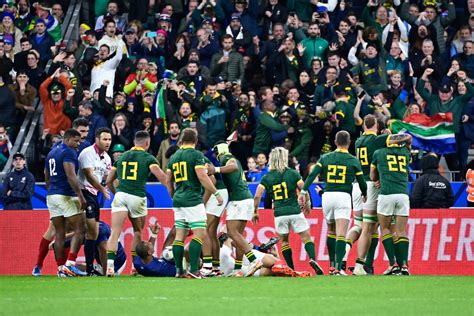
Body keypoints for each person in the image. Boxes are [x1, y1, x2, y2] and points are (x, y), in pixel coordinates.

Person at [298, 131, 367, 276]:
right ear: (349, 143)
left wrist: (304, 191)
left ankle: (331, 266)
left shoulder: (325, 157)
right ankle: (337, 268)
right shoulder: (353, 160)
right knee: (341, 234)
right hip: (343, 196)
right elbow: (361, 182)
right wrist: (365, 193)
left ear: (335, 142)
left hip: (327, 196)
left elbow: (311, 175)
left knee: (331, 232)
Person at [351, 115, 410, 276]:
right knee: (372, 228)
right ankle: (394, 264)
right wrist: (389, 134)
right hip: (374, 186)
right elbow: (404, 137)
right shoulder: (378, 143)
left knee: (371, 227)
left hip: (358, 184)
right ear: (376, 126)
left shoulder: (358, 141)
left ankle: (367, 265)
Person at [105, 130, 168, 277]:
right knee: (138, 231)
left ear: (134, 142)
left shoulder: (121, 157)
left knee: (115, 232)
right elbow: (161, 176)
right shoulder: (148, 158)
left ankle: (109, 267)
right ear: (147, 143)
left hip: (120, 195)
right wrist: (172, 191)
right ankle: (135, 266)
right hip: (137, 197)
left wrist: (117, 194)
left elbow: (108, 181)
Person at [253, 147, 323, 275]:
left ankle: (291, 269)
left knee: (285, 241)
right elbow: (304, 189)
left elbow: (257, 195)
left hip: (279, 214)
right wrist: (307, 204)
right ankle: (313, 259)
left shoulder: (267, 177)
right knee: (306, 237)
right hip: (295, 211)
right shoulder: (292, 173)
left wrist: (255, 211)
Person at [166, 128, 223, 278]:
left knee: (179, 235)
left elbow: (168, 180)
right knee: (200, 234)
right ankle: (194, 269)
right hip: (192, 199)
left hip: (178, 200)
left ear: (181, 140)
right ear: (196, 141)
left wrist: (173, 196)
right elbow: (202, 176)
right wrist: (216, 193)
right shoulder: (196, 155)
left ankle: (179, 271)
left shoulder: (174, 156)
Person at [210, 142, 263, 277]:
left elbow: (232, 166)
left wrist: (216, 169)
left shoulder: (225, 158)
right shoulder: (230, 158)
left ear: (218, 152)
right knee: (239, 235)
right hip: (246, 198)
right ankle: (237, 269)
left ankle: (254, 261)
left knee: (232, 233)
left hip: (238, 199)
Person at [44, 129, 87, 277]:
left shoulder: (52, 152)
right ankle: (70, 264)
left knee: (60, 234)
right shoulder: (68, 152)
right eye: (76, 140)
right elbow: (71, 175)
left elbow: (46, 175)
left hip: (52, 195)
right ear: (67, 139)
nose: (78, 144)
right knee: (81, 229)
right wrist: (80, 196)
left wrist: (52, 190)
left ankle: (61, 268)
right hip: (66, 195)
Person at [371, 135, 412, 275]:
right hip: (402, 194)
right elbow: (409, 142)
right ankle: (405, 265)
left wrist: (378, 179)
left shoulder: (379, 153)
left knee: (385, 228)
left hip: (386, 193)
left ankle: (393, 263)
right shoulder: (405, 152)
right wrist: (405, 138)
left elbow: (372, 176)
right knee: (401, 231)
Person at [77, 128, 112, 275]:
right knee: (90, 230)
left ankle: (90, 268)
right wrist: (102, 189)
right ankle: (75, 264)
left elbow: (108, 178)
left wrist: (118, 193)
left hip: (94, 195)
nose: (108, 142)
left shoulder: (107, 158)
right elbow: (89, 175)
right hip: (83, 193)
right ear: (97, 139)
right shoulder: (87, 153)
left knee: (93, 233)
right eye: (104, 139)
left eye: (109, 139)